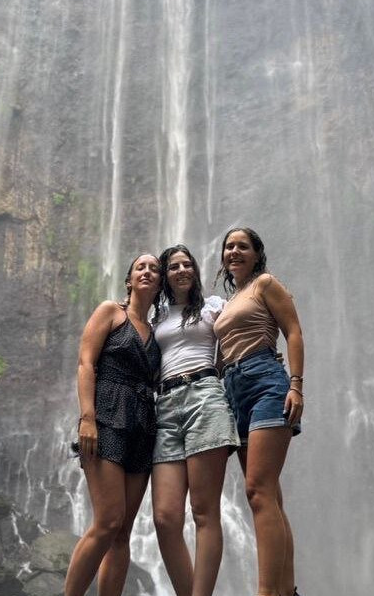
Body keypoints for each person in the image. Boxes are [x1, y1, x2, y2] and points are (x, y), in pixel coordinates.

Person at [213, 227, 304, 596]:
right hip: (234, 391)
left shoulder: (265, 284)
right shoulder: (228, 301)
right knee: (270, 496)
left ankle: (267, 592)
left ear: (256, 253)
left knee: (257, 491)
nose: (234, 251)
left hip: (265, 381)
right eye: (229, 246)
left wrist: (296, 384)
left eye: (242, 246)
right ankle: (286, 590)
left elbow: (293, 331)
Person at [64, 253, 163, 596]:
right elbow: (85, 363)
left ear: (159, 282)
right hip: (106, 417)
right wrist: (87, 417)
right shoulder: (110, 311)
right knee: (107, 522)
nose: (148, 271)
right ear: (129, 279)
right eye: (141, 267)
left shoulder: (156, 331)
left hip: (143, 426)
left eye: (154, 268)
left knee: (123, 531)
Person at [151, 244, 240, 596]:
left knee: (204, 512)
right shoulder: (156, 316)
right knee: (165, 518)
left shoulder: (213, 306)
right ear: (164, 274)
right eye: (174, 266)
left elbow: (243, 330)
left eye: (187, 264)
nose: (182, 270)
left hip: (205, 395)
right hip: (165, 405)